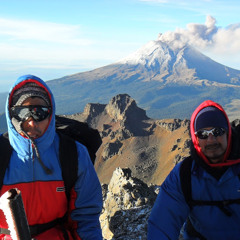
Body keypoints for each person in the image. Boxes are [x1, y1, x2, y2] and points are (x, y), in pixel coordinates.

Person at [0, 75, 103, 240]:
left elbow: (85, 217)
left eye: (39, 112)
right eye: (23, 112)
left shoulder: (73, 154)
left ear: (51, 114)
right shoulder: (2, 154)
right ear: (12, 114)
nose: (32, 122)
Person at [147, 100, 240, 240]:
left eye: (217, 131)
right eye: (203, 134)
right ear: (195, 138)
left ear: (228, 133)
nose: (211, 140)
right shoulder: (184, 175)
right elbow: (162, 224)